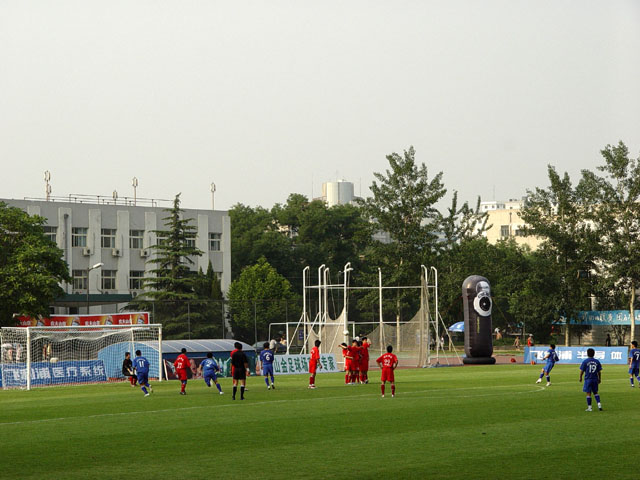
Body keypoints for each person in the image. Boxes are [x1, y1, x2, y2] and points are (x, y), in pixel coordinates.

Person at [579, 347, 602, 412]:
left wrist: (580, 377)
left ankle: (589, 407)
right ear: (594, 354)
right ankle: (599, 405)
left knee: (588, 393)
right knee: (595, 392)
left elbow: (582, 371)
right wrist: (599, 379)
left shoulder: (585, 361)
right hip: (595, 379)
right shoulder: (597, 361)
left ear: (587, 354)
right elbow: (599, 372)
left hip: (588, 379)